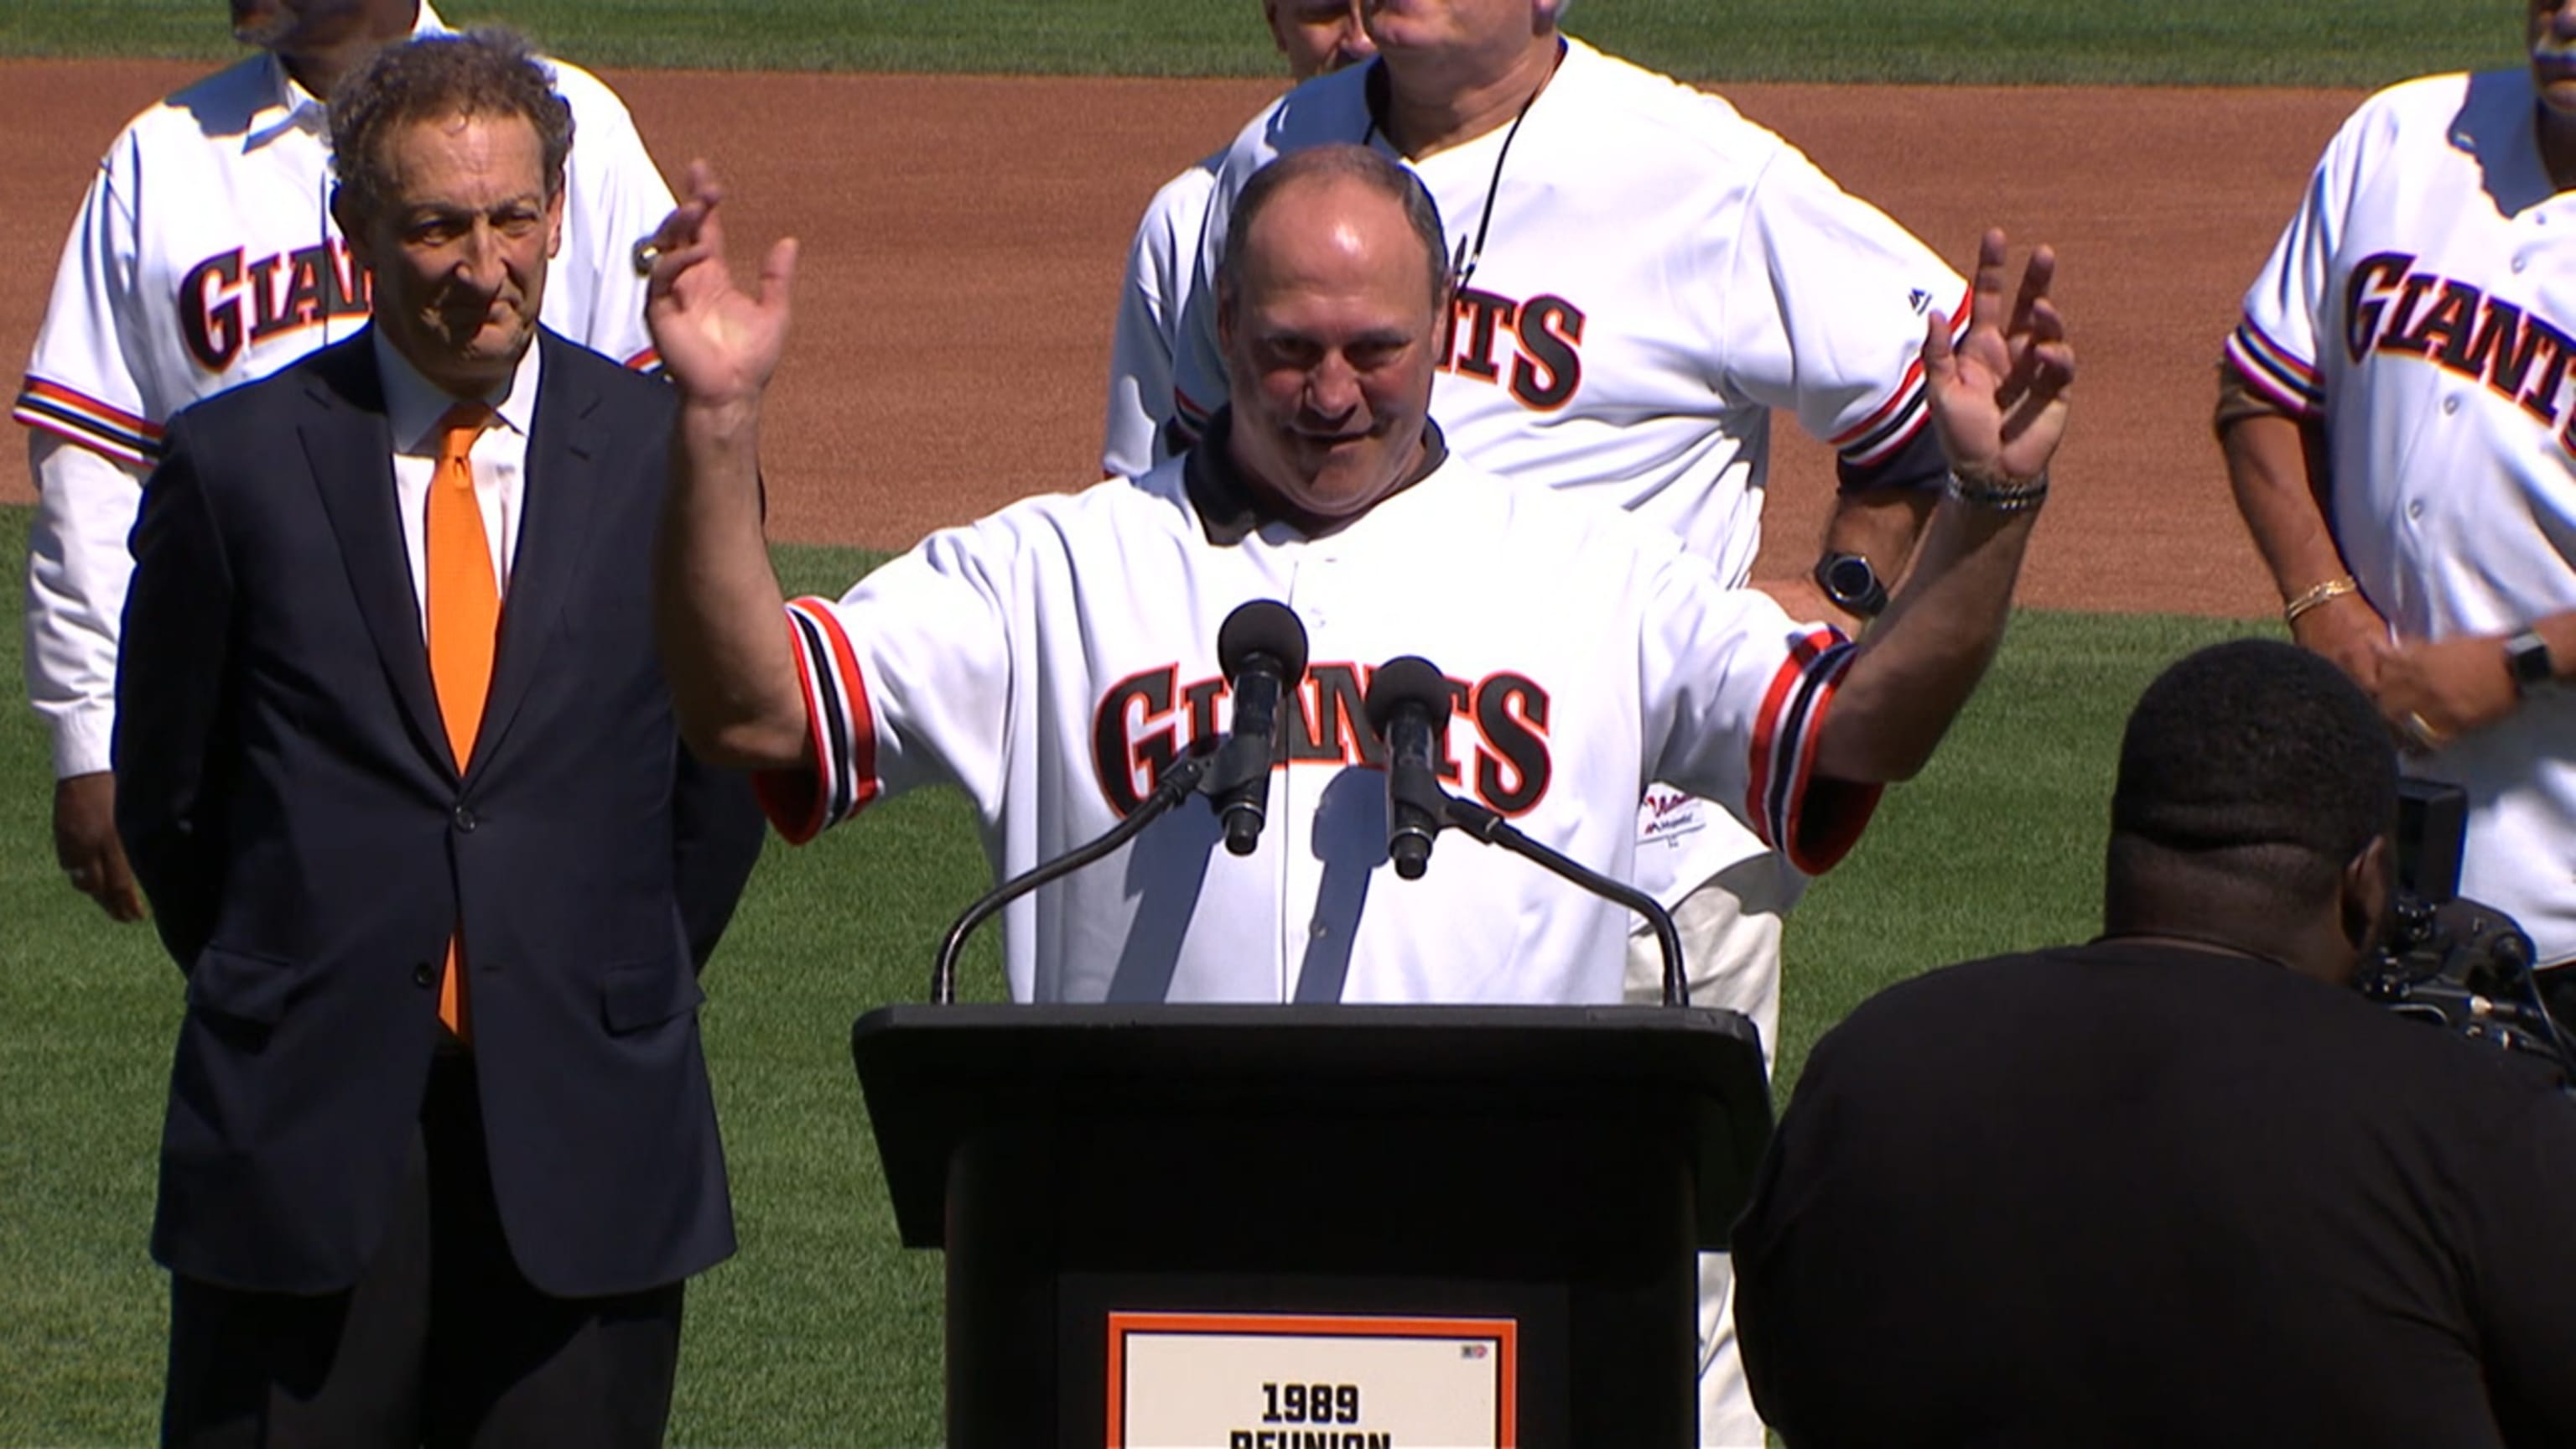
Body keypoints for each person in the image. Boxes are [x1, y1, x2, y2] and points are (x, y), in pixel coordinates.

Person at [641, 140, 2063, 1016]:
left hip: (1485, 1236)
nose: (1332, 393)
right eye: (1287, 348)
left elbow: (1858, 732)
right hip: (1137, 1226)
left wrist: (1990, 503)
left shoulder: (1592, 572)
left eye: (1375, 349)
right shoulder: (1051, 571)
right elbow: (764, 716)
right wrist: (713, 426)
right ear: (1217, 327)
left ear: (1444, 327)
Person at [1137, 4, 1974, 1436]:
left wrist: (1837, 596)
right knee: (1348, 1302)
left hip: (1637, 860)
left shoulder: (1697, 172)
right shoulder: (1269, 163)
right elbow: (1165, 494)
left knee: (1655, 1313)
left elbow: (1938, 398)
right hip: (1342, 845)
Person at [113, 30, 762, 1446]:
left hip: (587, 1137)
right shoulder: (232, 469)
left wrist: (585, 972)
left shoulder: (666, 455)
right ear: (353, 232)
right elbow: (171, 803)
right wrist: (306, 976)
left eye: (513, 218)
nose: (485, 267)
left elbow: (716, 784)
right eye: (438, 227)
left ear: (558, 214)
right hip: (302, 1141)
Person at [1729, 638, 2576, 1446]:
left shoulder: (1873, 1066)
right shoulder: (2481, 1128)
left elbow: (1789, 1380)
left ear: (2122, 850)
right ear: (2366, 885)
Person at [14, 0, 676, 926]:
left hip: (538, 734)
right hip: (278, 746)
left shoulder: (573, 130)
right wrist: (89, 735)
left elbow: (660, 458)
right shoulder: (160, 161)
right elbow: (93, 470)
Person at [2220, 0, 2574, 984]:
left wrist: (2514, 667)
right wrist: (2321, 603)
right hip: (2352, 855)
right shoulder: (2401, 136)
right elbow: (2262, 392)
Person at [1100, 0, 1374, 480]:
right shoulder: (1186, 223)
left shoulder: (1505, 197)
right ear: (1276, 23)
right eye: (1324, 11)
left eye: (1378, 6)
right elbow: (1138, 488)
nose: (1358, 40)